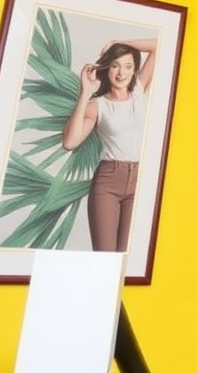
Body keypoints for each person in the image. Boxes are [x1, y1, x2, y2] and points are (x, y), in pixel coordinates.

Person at [62, 37, 158, 252]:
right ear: (106, 68)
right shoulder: (98, 106)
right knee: (105, 259)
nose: (121, 73)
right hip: (108, 181)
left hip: (139, 180)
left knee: (126, 258)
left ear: (134, 70)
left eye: (128, 66)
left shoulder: (138, 93)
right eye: (115, 65)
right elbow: (70, 142)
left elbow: (158, 45)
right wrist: (85, 93)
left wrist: (119, 41)